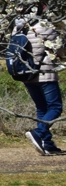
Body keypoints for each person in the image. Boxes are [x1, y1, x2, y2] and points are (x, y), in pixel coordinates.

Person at [19, 13, 65, 156]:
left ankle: (47, 144)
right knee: (56, 107)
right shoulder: (45, 27)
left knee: (42, 109)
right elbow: (59, 50)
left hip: (27, 75)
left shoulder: (19, 27)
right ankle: (38, 133)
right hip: (45, 74)